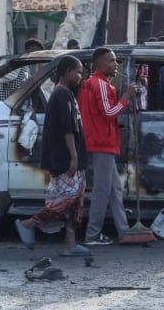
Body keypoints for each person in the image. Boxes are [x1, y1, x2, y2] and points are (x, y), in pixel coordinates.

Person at [14, 55, 91, 257]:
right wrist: (73, 157)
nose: (80, 76)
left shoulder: (66, 94)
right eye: (78, 72)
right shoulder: (62, 95)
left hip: (68, 159)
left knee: (73, 203)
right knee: (67, 200)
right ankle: (29, 223)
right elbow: (68, 129)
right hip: (66, 160)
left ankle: (70, 244)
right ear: (67, 72)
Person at [78, 47, 137, 245]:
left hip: (100, 142)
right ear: (101, 64)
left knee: (114, 191)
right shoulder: (101, 85)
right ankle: (92, 235)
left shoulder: (90, 84)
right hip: (103, 143)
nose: (115, 65)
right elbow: (110, 113)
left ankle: (123, 231)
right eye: (112, 61)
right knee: (103, 192)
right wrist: (126, 97)